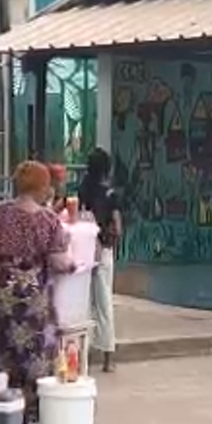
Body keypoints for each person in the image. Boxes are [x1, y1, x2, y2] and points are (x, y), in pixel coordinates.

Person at [0, 162, 78, 424]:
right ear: (43, 187)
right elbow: (57, 261)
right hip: (34, 303)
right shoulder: (49, 221)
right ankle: (27, 417)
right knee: (35, 358)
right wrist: (71, 263)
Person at [76, 148, 121, 373]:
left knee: (83, 304)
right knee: (104, 303)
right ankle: (108, 359)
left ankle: (81, 357)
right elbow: (117, 225)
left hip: (83, 249)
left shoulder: (82, 189)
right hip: (103, 250)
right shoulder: (110, 192)